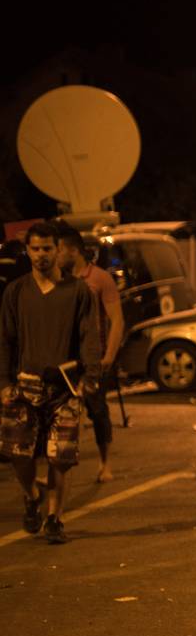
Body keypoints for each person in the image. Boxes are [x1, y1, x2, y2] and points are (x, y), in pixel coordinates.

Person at [0, 222, 104, 543]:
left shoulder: (78, 292)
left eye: (48, 248)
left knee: (62, 456)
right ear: (27, 251)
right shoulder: (16, 292)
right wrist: (4, 382)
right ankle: (32, 496)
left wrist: (90, 377)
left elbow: (90, 337)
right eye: (35, 249)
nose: (42, 255)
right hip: (24, 387)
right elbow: (5, 340)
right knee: (20, 454)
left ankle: (54, 518)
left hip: (65, 387)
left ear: (59, 250)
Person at [56, 229, 122, 482]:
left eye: (59, 249)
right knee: (62, 414)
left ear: (73, 250)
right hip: (67, 359)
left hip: (95, 356)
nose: (56, 255)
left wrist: (109, 356)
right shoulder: (59, 280)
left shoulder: (100, 279)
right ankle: (58, 471)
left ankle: (106, 463)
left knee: (97, 411)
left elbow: (117, 320)